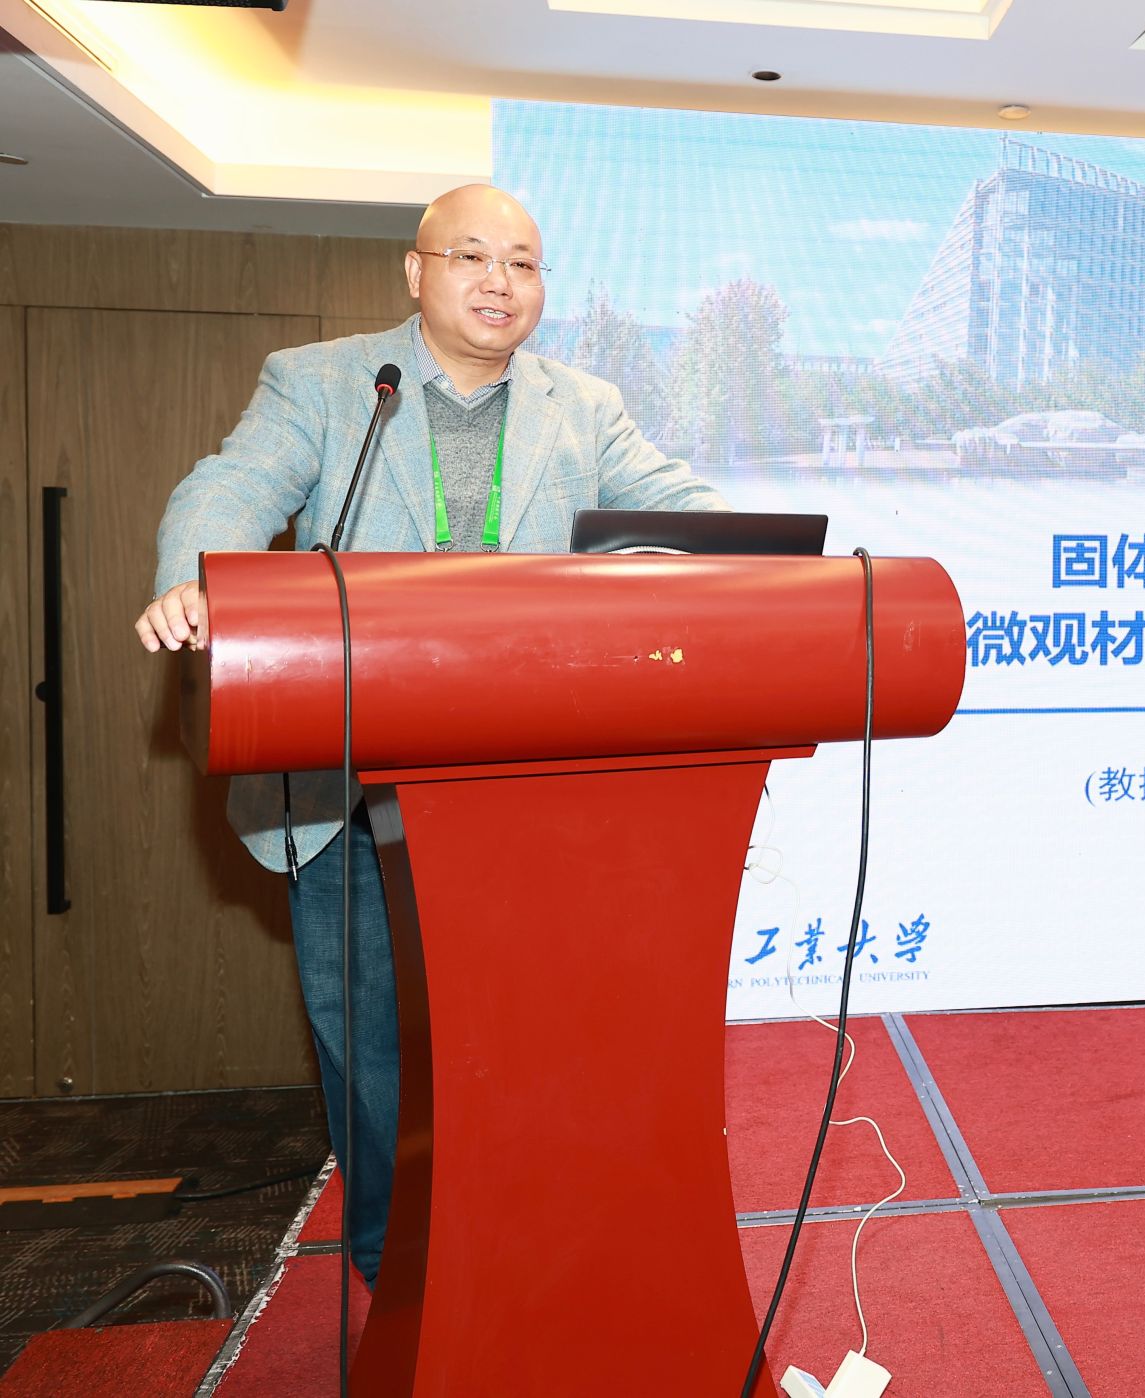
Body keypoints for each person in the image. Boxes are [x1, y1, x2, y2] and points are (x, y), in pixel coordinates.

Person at [134, 184, 726, 1286]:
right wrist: (192, 580)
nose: (499, 282)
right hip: (348, 791)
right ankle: (392, 1271)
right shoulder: (329, 384)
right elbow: (231, 488)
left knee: (529, 1042)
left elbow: (679, 508)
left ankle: (522, 1254)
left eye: (523, 263)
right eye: (472, 256)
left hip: (526, 798)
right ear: (417, 272)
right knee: (372, 1051)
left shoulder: (583, 405)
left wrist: (773, 559)